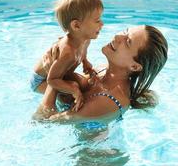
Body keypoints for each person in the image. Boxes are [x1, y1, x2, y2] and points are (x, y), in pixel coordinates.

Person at [33, 25, 168, 125]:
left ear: (134, 66)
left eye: (127, 42)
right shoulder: (102, 71)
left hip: (94, 159)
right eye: (125, 31)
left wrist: (55, 74)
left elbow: (43, 120)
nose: (117, 36)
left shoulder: (108, 101)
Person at [30, 0, 104, 111]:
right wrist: (73, 90)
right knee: (72, 95)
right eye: (97, 20)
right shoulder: (68, 52)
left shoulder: (85, 39)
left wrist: (86, 63)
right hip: (40, 81)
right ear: (76, 26)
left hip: (60, 75)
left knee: (86, 86)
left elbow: (83, 54)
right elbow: (52, 80)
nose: (102, 24)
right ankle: (56, 112)